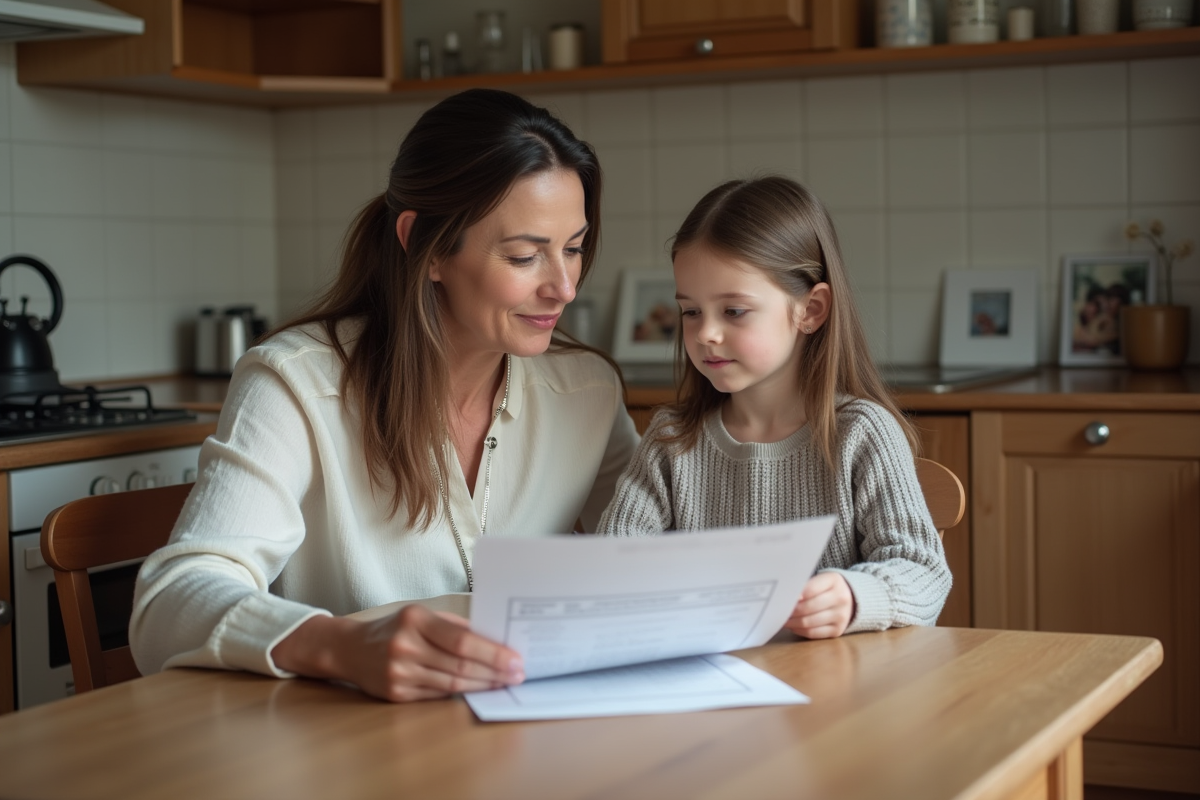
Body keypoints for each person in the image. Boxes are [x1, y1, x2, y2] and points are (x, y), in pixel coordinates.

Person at [131, 89, 640, 702]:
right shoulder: (295, 385)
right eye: (525, 255)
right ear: (427, 247)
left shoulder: (587, 389)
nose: (564, 287)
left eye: (575, 247)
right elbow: (169, 601)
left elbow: (658, 553)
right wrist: (340, 645)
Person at [598, 176, 951, 639]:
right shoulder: (671, 439)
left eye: (734, 311)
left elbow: (923, 571)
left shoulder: (863, 433)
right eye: (690, 311)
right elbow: (610, 567)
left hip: (839, 696)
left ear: (811, 310)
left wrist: (855, 596)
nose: (705, 334)